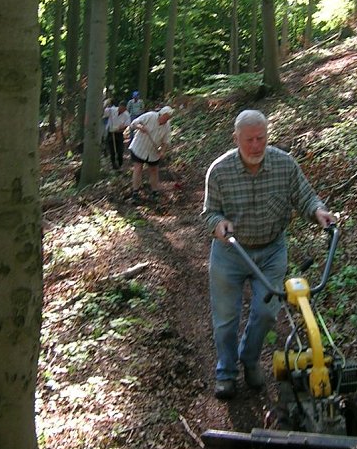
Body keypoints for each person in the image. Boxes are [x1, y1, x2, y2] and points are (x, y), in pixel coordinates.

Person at [202, 109, 336, 400]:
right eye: (249, 140)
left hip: (272, 251)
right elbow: (209, 212)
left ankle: (250, 359)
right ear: (236, 138)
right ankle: (226, 372)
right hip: (231, 252)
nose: (256, 146)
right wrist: (218, 224)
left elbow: (305, 196)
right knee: (226, 319)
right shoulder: (220, 170)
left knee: (266, 313)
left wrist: (318, 211)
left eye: (261, 138)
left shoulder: (284, 164)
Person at [129, 105, 173, 200]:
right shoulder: (150, 116)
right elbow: (133, 123)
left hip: (153, 151)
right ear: (161, 114)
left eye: (168, 119)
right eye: (165, 118)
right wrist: (140, 127)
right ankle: (135, 191)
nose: (165, 120)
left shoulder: (167, 126)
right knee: (138, 168)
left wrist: (162, 151)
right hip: (139, 147)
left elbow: (166, 141)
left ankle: (154, 191)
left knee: (154, 170)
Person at [104, 101, 131, 170]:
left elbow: (126, 125)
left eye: (123, 109)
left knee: (120, 150)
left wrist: (120, 128)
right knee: (112, 150)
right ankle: (113, 165)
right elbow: (103, 112)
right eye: (120, 108)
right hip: (111, 133)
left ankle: (120, 164)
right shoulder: (111, 110)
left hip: (119, 133)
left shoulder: (126, 115)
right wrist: (105, 104)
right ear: (119, 106)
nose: (121, 110)